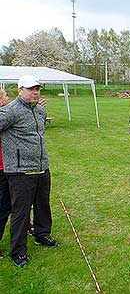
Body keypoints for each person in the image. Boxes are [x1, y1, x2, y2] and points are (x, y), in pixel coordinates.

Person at [0, 75, 59, 267]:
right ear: (20, 91)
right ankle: (18, 251)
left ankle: (42, 235)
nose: (35, 91)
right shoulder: (9, 111)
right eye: (30, 89)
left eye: (37, 88)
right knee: (21, 213)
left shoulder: (40, 112)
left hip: (42, 168)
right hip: (19, 173)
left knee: (43, 207)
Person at [0, 89, 11, 259]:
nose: (9, 98)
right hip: (2, 169)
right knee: (3, 207)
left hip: (7, 167)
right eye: (6, 96)